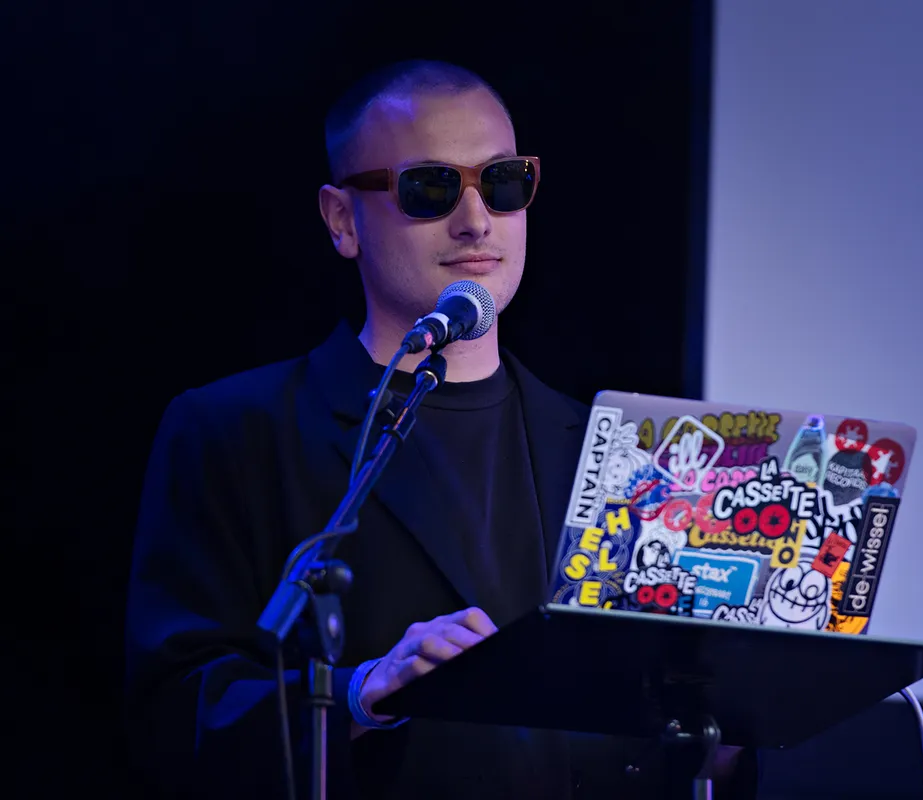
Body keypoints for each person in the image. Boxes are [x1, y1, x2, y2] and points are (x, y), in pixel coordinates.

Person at [124, 60, 758, 799]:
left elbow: (655, 741)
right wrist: (358, 694)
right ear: (342, 220)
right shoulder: (235, 431)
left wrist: (722, 740)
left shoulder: (618, 450)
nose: (477, 220)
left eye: (503, 182)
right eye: (431, 188)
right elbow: (172, 717)